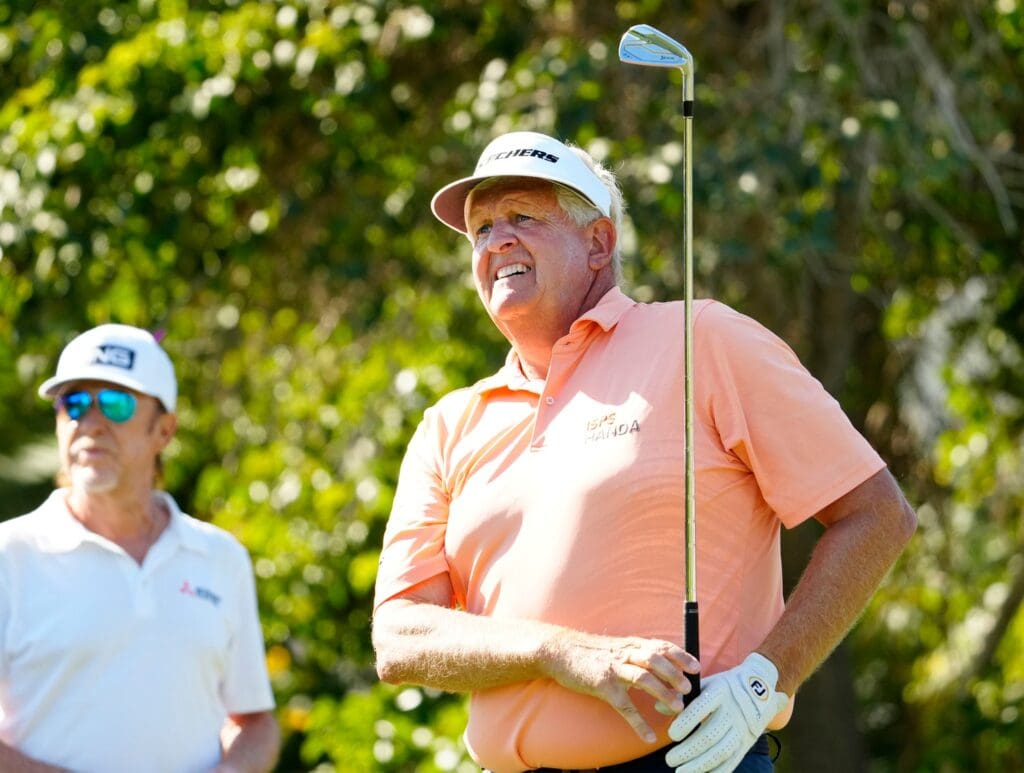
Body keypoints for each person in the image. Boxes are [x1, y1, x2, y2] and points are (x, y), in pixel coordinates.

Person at [371, 130, 917, 773]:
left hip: (689, 761)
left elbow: (876, 514)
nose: (497, 241)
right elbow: (401, 635)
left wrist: (766, 680)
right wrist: (559, 653)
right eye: (482, 228)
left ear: (599, 243)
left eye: (522, 216)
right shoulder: (449, 423)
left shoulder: (704, 339)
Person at [0, 324, 280, 773]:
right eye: (73, 403)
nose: (90, 422)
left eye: (115, 403)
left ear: (164, 430)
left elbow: (254, 721)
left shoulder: (221, 558)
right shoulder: (8, 555)